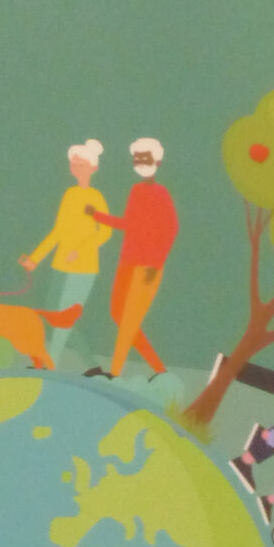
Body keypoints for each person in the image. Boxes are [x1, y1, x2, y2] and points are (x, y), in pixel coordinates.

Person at [85, 136, 179, 381]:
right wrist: (97, 216)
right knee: (118, 314)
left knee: (129, 321)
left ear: (157, 162)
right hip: (127, 262)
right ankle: (160, 369)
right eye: (137, 159)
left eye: (145, 158)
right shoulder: (136, 190)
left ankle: (115, 373)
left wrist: (155, 264)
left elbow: (171, 229)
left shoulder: (162, 194)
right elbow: (129, 224)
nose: (140, 162)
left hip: (147, 267)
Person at [19, 139, 113, 361]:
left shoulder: (96, 197)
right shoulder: (70, 194)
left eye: (82, 164)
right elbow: (58, 231)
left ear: (93, 167)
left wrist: (80, 250)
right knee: (54, 312)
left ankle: (52, 360)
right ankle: (90, 363)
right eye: (74, 163)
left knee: (64, 317)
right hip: (60, 264)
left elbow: (106, 231)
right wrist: (35, 259)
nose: (76, 167)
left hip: (83, 268)